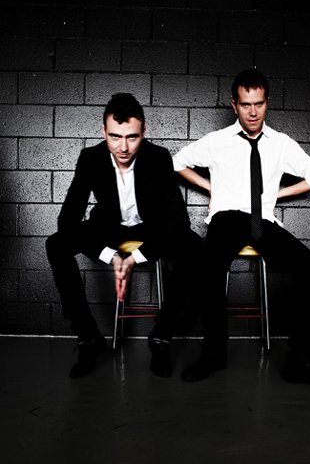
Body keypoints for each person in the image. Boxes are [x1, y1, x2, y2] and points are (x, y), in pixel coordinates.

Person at [173, 68, 310, 390]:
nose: (253, 112)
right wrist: (211, 187)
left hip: (262, 220)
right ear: (234, 105)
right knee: (208, 266)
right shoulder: (217, 142)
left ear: (267, 102)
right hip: (227, 218)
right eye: (246, 104)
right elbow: (177, 162)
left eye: (258, 103)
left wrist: (273, 195)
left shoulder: (281, 144)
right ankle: (214, 353)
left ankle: (301, 358)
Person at [46, 92, 203, 379]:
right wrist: (111, 256)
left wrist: (134, 258)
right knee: (56, 243)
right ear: (103, 131)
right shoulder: (90, 158)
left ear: (144, 131)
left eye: (132, 137)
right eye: (115, 137)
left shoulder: (158, 157)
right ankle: (88, 337)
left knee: (194, 247)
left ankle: (162, 336)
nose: (123, 147)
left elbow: (178, 220)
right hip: (108, 228)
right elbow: (67, 220)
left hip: (149, 229)